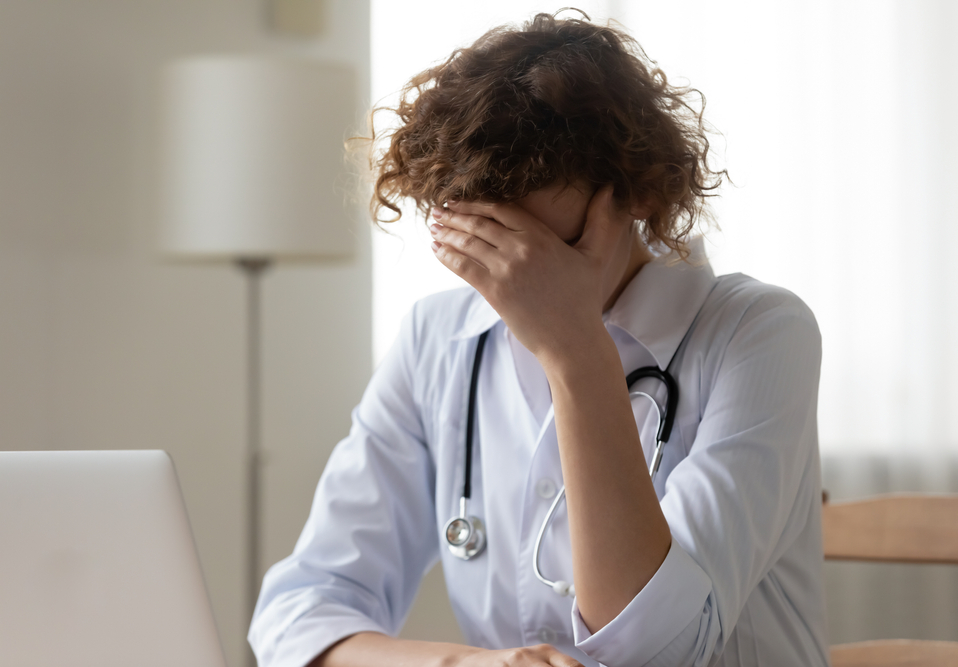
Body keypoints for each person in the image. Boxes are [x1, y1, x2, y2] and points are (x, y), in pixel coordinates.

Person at [249, 11, 830, 667]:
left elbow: (661, 648)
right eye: (482, 236)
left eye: (539, 246)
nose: (508, 275)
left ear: (633, 190)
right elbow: (299, 610)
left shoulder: (758, 334)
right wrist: (461, 664)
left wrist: (577, 351)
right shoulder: (438, 339)